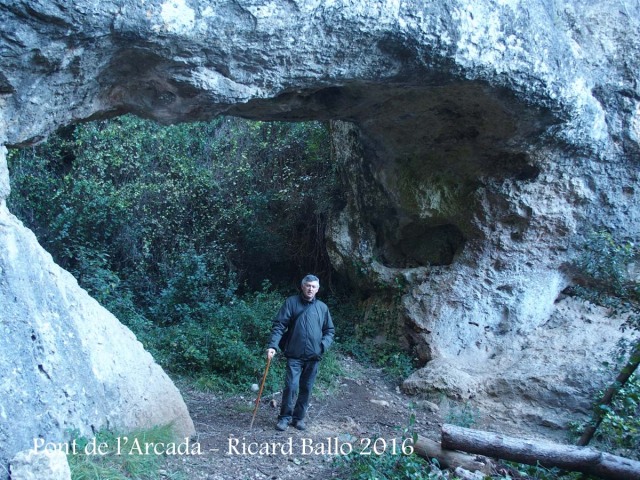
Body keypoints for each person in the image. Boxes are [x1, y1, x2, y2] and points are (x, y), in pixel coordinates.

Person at [266, 274, 335, 431]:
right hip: (294, 355)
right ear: (302, 286)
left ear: (317, 289)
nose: (310, 289)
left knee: (306, 388)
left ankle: (298, 418)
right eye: (308, 285)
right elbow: (279, 325)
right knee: (291, 386)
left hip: (313, 357)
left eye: (313, 286)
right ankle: (284, 418)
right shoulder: (291, 303)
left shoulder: (323, 308)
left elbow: (329, 330)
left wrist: (322, 346)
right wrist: (272, 346)